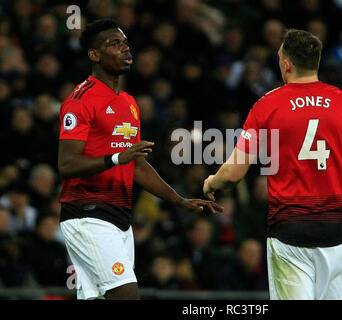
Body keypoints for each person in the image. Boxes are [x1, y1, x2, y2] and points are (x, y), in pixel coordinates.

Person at [203, 29, 342, 300]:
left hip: (290, 236)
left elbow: (234, 174)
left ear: (286, 63)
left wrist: (212, 182)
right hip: (337, 237)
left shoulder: (267, 106)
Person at [57, 19, 222, 300]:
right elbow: (67, 165)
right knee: (127, 295)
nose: (124, 49)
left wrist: (179, 201)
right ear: (94, 55)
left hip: (120, 217)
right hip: (88, 214)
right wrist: (117, 157)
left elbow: (137, 165)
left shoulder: (129, 103)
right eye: (114, 44)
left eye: (125, 43)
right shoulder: (80, 99)